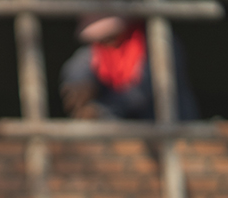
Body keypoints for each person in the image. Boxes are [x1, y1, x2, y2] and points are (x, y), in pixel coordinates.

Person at [60, 14, 199, 121]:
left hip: (170, 128)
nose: (104, 42)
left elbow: (142, 93)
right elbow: (78, 67)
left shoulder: (159, 46)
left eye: (109, 35)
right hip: (120, 136)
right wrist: (76, 85)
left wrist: (100, 111)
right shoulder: (98, 50)